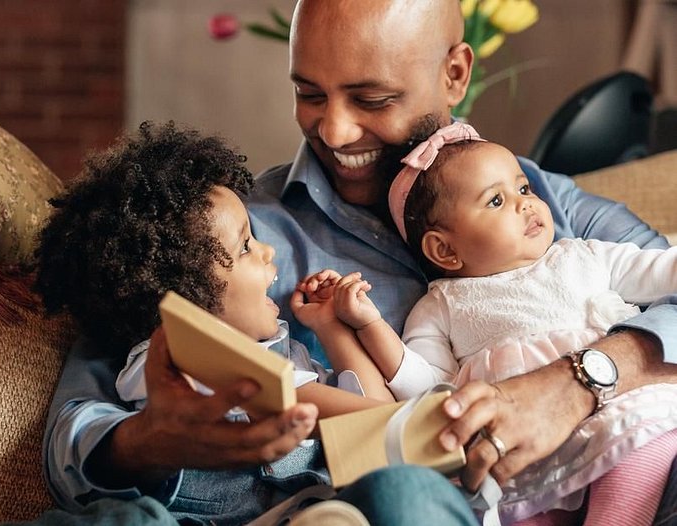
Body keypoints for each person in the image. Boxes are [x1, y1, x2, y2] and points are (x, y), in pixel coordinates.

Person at [42, 0, 677, 523]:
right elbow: (80, 423)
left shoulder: (539, 199)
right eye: (310, 93)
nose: (335, 131)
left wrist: (581, 378)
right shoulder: (226, 235)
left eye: (372, 99)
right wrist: (146, 443)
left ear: (455, 74)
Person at [35, 120, 471, 524]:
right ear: (183, 296)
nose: (267, 252)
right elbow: (307, 403)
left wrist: (332, 329)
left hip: (304, 508)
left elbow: (368, 436)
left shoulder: (287, 351)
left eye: (373, 98)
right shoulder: (167, 361)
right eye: (245, 246)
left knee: (396, 490)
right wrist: (422, 425)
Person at [298, 121, 677, 525]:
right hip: (518, 452)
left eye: (524, 189)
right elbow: (426, 388)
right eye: (496, 201)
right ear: (443, 249)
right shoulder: (440, 305)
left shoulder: (585, 256)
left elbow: (660, 269)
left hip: (614, 407)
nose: (525, 203)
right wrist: (370, 323)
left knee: (644, 442)